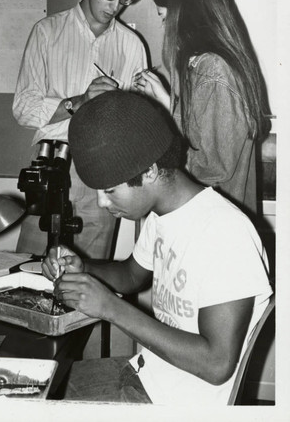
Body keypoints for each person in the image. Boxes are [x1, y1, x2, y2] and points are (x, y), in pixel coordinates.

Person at [42, 90, 272, 406]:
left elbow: (216, 364)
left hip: (179, 402)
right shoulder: (163, 214)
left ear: (149, 170)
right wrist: (84, 268)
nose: (102, 202)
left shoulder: (225, 233)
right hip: (148, 375)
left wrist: (109, 307)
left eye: (109, 190)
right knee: (36, 390)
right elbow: (131, 275)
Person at [13, 0, 147, 258]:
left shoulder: (133, 46)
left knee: (88, 286)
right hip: (51, 166)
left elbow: (141, 130)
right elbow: (23, 108)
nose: (115, 6)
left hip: (104, 173)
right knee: (33, 274)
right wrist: (80, 101)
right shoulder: (47, 32)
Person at [133, 0, 271, 218]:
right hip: (213, 214)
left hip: (214, 217)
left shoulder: (214, 69)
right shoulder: (205, 66)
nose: (165, 30)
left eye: (165, 19)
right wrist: (166, 102)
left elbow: (211, 169)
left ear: (185, 16)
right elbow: (201, 135)